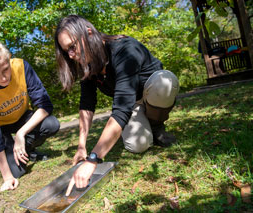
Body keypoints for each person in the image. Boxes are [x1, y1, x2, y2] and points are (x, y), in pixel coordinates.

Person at [54, 15, 179, 195]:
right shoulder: (87, 64)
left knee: (165, 82)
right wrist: (82, 145)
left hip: (153, 90)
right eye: (67, 52)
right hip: (133, 103)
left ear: (89, 33)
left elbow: (120, 109)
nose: (71, 55)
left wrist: (93, 159)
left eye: (72, 47)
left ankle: (157, 125)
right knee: (138, 145)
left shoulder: (124, 50)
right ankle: (147, 126)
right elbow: (87, 104)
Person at [0, 36, 60, 191]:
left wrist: (21, 134)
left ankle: (26, 149)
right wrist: (7, 177)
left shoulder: (21, 66)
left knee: (52, 124)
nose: (3, 78)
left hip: (23, 119)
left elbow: (45, 105)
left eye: (5, 69)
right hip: (1, 129)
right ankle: (8, 156)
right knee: (17, 172)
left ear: (9, 58)